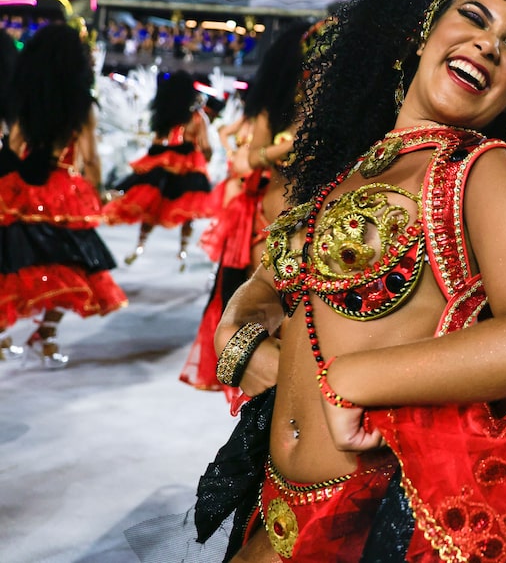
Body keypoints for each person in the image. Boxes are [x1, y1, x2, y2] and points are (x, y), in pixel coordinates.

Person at [195, 0, 506, 561]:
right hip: (277, 507)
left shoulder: (485, 171)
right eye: (473, 16)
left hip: (372, 520)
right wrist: (240, 339)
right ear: (424, 30)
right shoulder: (352, 168)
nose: (488, 44)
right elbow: (267, 285)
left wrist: (352, 379)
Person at [180, 20, 317, 399]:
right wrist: (275, 152)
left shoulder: (323, 110)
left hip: (304, 219)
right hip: (268, 221)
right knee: (274, 310)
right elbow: (246, 161)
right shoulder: (273, 113)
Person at [0, 23, 127, 366]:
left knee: (13, 261)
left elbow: (13, 147)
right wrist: (97, 193)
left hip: (20, 188)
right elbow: (91, 157)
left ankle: (3, 335)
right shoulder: (81, 105)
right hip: (64, 192)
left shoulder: (26, 101)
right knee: (77, 266)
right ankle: (46, 335)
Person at [102, 69, 214, 271]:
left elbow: (157, 141)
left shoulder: (165, 115)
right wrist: (206, 159)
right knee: (188, 209)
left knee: (152, 206)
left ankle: (139, 246)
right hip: (188, 164)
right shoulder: (196, 117)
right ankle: (182, 251)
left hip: (161, 161)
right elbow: (205, 145)